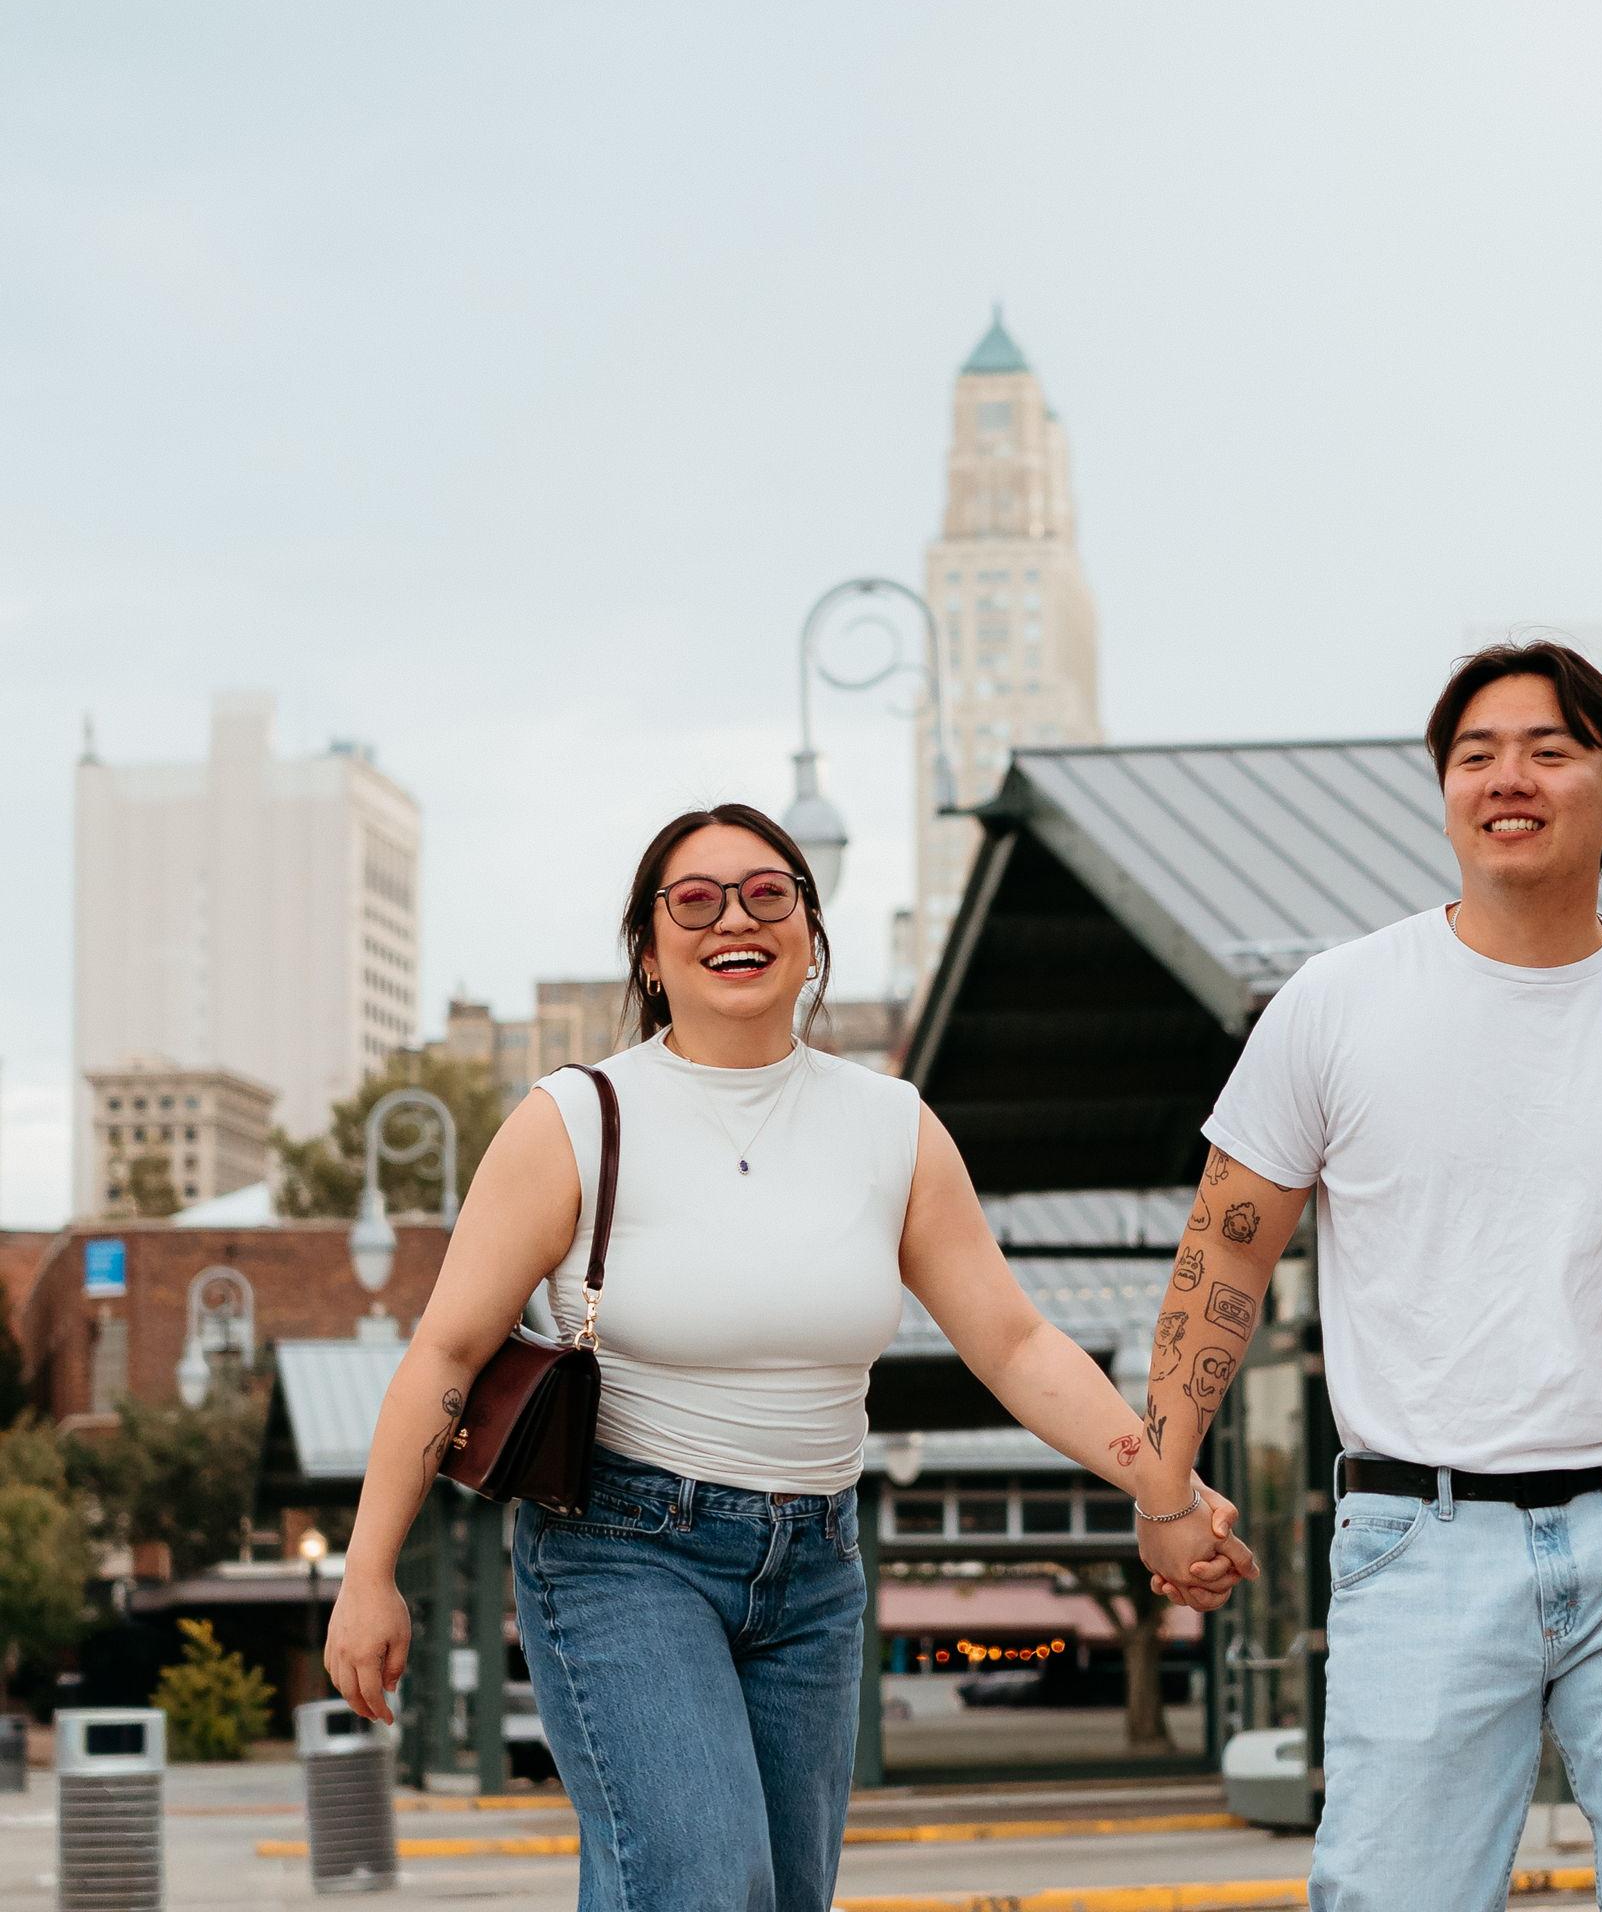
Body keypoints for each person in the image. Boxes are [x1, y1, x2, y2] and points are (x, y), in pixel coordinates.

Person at [325, 802, 1254, 1912]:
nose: (737, 917)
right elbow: (447, 1346)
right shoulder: (577, 1117)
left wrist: (1162, 1485)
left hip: (816, 1564)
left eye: (770, 893)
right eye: (696, 898)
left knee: (770, 1896)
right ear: (650, 949)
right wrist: (368, 1571)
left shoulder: (890, 1124)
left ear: (810, 933)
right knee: (705, 1884)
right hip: (624, 1553)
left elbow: (1012, 1340)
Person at [1131, 644, 1602, 1911]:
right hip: (1414, 1534)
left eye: (1549, 749)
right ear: (1443, 792)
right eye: (1475, 754)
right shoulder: (1334, 1004)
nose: (1508, 777)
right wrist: (1160, 1481)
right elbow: (1224, 1250)